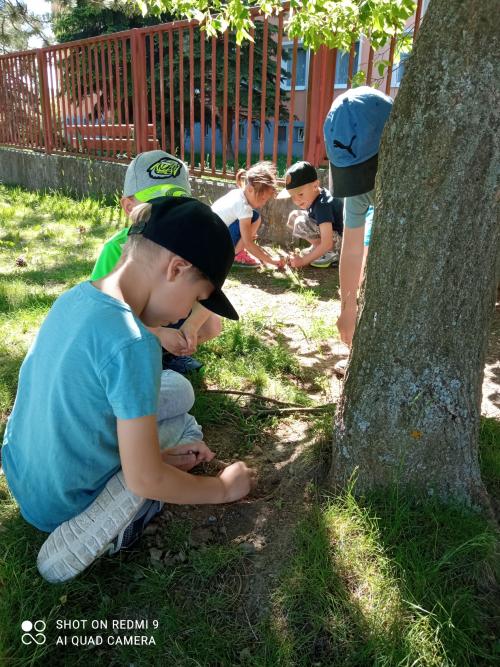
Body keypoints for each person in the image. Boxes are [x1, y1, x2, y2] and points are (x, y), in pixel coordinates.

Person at [1, 197, 255, 584]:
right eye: (195, 299)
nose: (186, 314)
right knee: (183, 436)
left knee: (179, 396)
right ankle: (96, 530)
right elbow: (145, 480)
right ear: (176, 268)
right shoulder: (135, 343)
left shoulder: (74, 298)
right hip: (69, 502)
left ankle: (143, 461)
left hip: (27, 477)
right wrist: (221, 488)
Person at [91, 150, 221, 374]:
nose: (169, 215)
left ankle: (166, 356)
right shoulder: (115, 249)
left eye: (177, 204)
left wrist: (190, 327)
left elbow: (207, 293)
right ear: (129, 207)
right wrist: (158, 333)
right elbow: (105, 312)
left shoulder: (190, 244)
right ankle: (143, 353)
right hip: (132, 320)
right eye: (158, 205)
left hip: (169, 309)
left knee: (211, 324)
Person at [323, 86, 393, 372]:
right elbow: (351, 248)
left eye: (367, 169)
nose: (362, 183)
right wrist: (348, 307)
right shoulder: (359, 193)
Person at [211, 161, 284, 269]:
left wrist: (246, 236)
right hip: (218, 245)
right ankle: (236, 254)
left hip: (210, 239)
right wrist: (272, 261)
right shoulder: (244, 208)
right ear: (250, 189)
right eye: (263, 198)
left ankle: (237, 249)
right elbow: (248, 243)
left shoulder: (236, 193)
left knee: (254, 217)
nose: (263, 203)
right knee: (256, 218)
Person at [277, 161, 344, 268]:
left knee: (300, 222)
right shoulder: (315, 195)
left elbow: (327, 243)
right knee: (294, 216)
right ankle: (317, 247)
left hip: (340, 243)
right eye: (293, 196)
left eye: (300, 194)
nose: (297, 200)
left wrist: (303, 261)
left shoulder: (322, 205)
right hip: (333, 235)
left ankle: (329, 253)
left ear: (315, 185)